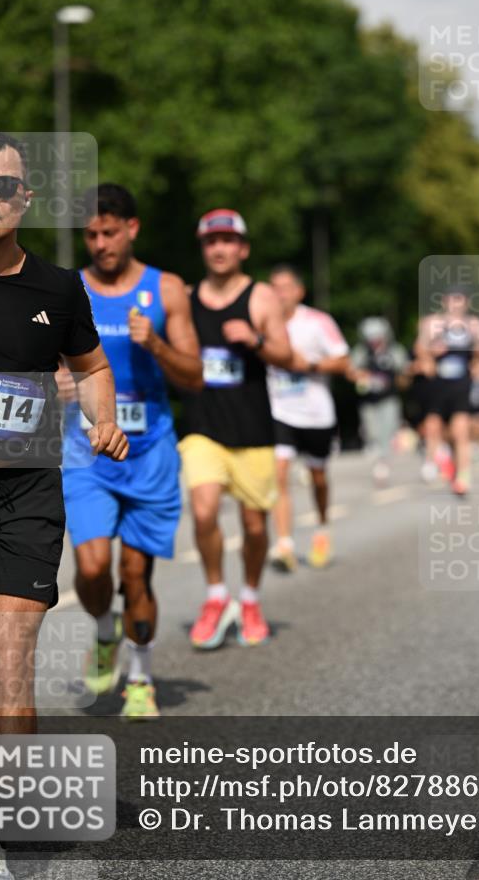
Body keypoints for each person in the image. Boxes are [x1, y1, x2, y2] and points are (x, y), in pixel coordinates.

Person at [0, 132, 128, 879]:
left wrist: (102, 415)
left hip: (25, 491)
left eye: (1, 188)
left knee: (13, 662)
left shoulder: (56, 288)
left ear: (25, 199)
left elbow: (91, 366)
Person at [58, 184, 203, 719]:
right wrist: (58, 380)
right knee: (93, 567)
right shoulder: (68, 289)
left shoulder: (165, 290)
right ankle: (103, 630)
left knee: (136, 574)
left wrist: (157, 345)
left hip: (149, 452)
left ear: (132, 229)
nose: (100, 243)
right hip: (87, 448)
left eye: (110, 232)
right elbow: (47, 359)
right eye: (91, 234)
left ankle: (141, 677)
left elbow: (197, 378)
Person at [179, 209, 291, 648]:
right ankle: (215, 596)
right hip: (202, 427)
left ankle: (249, 598)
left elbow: (287, 355)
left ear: (242, 248)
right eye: (211, 241)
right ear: (202, 248)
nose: (219, 248)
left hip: (252, 429)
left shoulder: (261, 297)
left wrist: (256, 340)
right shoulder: (186, 298)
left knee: (255, 527)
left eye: (228, 240)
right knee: (204, 510)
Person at [266, 265, 350, 572]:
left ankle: (322, 528)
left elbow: (343, 360)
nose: (280, 294)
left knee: (317, 477)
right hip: (279, 411)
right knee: (279, 472)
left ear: (299, 291)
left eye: (285, 287)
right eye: (274, 287)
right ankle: (285, 544)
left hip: (316, 414)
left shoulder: (317, 321)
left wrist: (309, 365)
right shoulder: (264, 322)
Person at [414, 288, 479, 495]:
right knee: (433, 425)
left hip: (461, 383)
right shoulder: (431, 323)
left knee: (460, 430)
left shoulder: (474, 325)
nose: (455, 303)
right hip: (438, 383)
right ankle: (433, 460)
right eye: (452, 299)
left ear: (466, 302)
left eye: (459, 299)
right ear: (444, 301)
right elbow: (419, 349)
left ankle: (463, 475)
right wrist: (430, 354)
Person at [350, 317, 408, 485]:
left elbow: (404, 373)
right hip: (368, 400)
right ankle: (378, 457)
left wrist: (399, 380)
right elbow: (351, 371)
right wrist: (363, 378)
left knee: (387, 430)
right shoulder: (361, 352)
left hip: (389, 398)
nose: (374, 341)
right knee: (371, 431)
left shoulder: (395, 351)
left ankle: (382, 464)